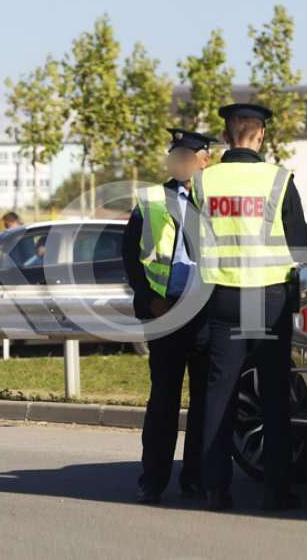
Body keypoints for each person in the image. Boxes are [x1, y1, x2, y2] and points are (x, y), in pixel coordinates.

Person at [192, 103, 307, 512]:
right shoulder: (279, 179)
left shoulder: (203, 181)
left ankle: (214, 489)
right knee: (275, 396)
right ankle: (275, 490)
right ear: (260, 135)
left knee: (219, 394)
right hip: (269, 298)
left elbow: (194, 242)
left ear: (226, 136)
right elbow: (298, 245)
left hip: (222, 296)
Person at [122, 128, 217, 504]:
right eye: (176, 154)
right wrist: (148, 300)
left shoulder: (217, 200)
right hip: (165, 309)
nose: (181, 161)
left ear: (204, 160)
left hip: (206, 310)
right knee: (163, 398)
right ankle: (154, 478)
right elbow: (131, 255)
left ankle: (194, 477)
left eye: (188, 155)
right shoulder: (150, 199)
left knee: (204, 400)